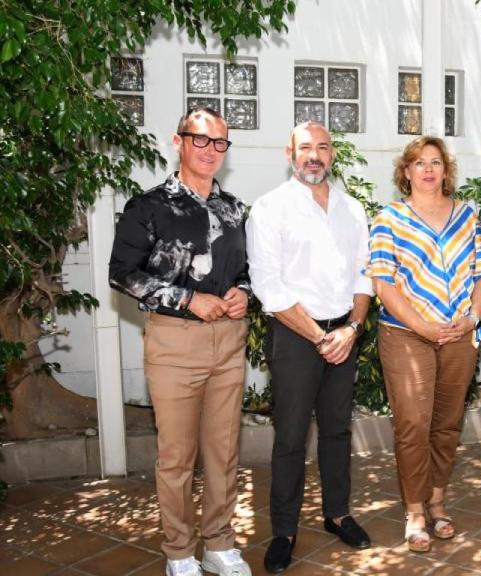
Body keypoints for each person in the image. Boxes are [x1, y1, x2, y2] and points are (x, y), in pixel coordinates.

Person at [109, 106, 253, 576]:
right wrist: (187, 300)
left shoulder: (234, 209)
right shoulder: (148, 206)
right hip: (174, 344)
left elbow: (247, 271)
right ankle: (178, 552)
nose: (210, 150)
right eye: (200, 140)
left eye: (219, 143)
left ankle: (218, 543)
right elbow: (122, 274)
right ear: (178, 142)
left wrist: (242, 293)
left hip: (229, 343)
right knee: (176, 457)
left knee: (223, 451)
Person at [247, 122, 373, 573]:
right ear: (290, 153)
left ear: (332, 154)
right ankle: (284, 530)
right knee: (290, 437)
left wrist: (352, 329)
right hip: (297, 338)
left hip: (344, 335)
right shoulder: (270, 209)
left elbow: (365, 273)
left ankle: (338, 514)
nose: (314, 156)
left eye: (322, 148)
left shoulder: (352, 209)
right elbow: (268, 286)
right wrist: (320, 337)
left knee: (338, 430)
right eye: (305, 148)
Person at [365, 136, 481, 552]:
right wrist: (423, 327)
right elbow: (383, 285)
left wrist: (473, 319)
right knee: (412, 425)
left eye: (435, 162)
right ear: (406, 172)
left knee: (446, 422)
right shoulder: (389, 218)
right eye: (419, 163)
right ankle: (415, 511)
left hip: (460, 334)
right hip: (407, 335)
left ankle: (437, 500)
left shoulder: (467, 216)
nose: (427, 169)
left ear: (445, 170)